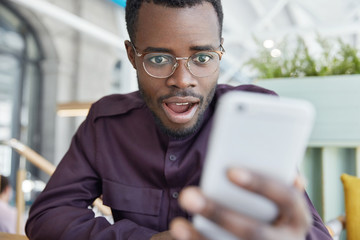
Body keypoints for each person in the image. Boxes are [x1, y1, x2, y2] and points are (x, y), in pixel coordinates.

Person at [25, 0, 332, 239]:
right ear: (132, 56)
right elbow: (48, 216)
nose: (182, 80)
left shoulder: (256, 119)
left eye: (202, 58)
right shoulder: (106, 125)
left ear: (220, 53)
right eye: (158, 59)